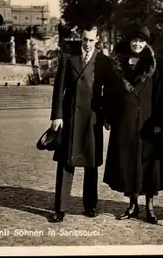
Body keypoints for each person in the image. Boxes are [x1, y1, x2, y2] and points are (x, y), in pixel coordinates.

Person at [102, 25, 163, 224]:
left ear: (146, 43)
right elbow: (110, 93)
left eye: (141, 41)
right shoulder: (118, 63)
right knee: (128, 163)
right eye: (134, 40)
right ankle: (132, 205)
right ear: (129, 41)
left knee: (149, 163)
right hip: (125, 122)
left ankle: (150, 207)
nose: (137, 44)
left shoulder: (152, 64)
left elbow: (160, 95)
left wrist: (159, 121)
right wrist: (108, 116)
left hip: (148, 123)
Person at [49, 24, 110, 223]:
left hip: (92, 119)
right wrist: (56, 116)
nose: (87, 44)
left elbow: (109, 92)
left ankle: (90, 205)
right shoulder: (68, 58)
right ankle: (60, 207)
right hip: (71, 118)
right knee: (66, 163)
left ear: (97, 40)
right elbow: (59, 90)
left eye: (91, 40)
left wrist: (107, 116)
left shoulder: (103, 61)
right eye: (84, 40)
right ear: (80, 38)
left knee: (91, 163)